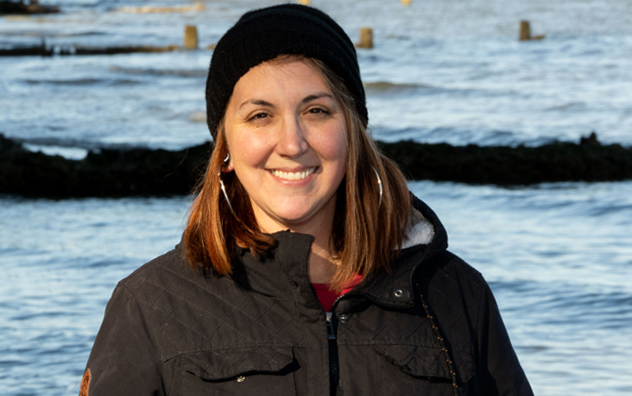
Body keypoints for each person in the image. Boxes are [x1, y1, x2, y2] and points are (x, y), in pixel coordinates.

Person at [81, 4, 534, 396]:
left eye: (316, 111)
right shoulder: (150, 305)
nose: (292, 142)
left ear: (354, 133)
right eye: (260, 116)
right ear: (225, 153)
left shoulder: (453, 293)